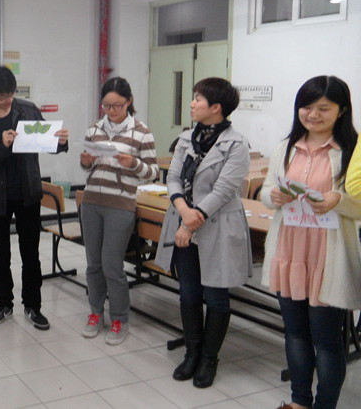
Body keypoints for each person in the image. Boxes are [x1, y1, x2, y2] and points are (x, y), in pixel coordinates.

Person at [259, 76, 361, 409]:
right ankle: (299, 402)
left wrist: (338, 200)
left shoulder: (353, 151)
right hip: (289, 251)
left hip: (328, 256)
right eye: (307, 107)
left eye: (323, 108)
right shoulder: (286, 147)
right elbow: (266, 192)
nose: (313, 115)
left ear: (341, 110)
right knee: (295, 333)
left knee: (327, 341)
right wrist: (272, 196)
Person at [155, 77, 252, 389]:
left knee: (217, 296)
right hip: (185, 221)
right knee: (189, 293)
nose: (192, 103)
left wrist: (189, 221)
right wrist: (183, 211)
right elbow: (172, 177)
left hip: (217, 226)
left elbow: (223, 191)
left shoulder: (237, 144)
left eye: (198, 99)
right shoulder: (186, 138)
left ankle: (209, 359)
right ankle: (192, 353)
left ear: (216, 107)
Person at [0, 65, 69, 330]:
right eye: (3, 96)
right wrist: (2, 147)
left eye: (11, 94)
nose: (9, 100)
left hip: (27, 192)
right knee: (1, 254)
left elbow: (46, 143)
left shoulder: (28, 110)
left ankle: (33, 306)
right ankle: (3, 304)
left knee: (30, 252)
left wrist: (60, 142)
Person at [79, 77, 158, 345]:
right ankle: (95, 313)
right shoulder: (94, 129)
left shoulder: (142, 132)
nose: (111, 111)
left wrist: (133, 163)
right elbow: (87, 166)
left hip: (120, 204)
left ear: (129, 102)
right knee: (93, 264)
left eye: (117, 105)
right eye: (106, 105)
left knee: (112, 265)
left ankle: (119, 319)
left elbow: (153, 172)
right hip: (92, 202)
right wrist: (85, 161)